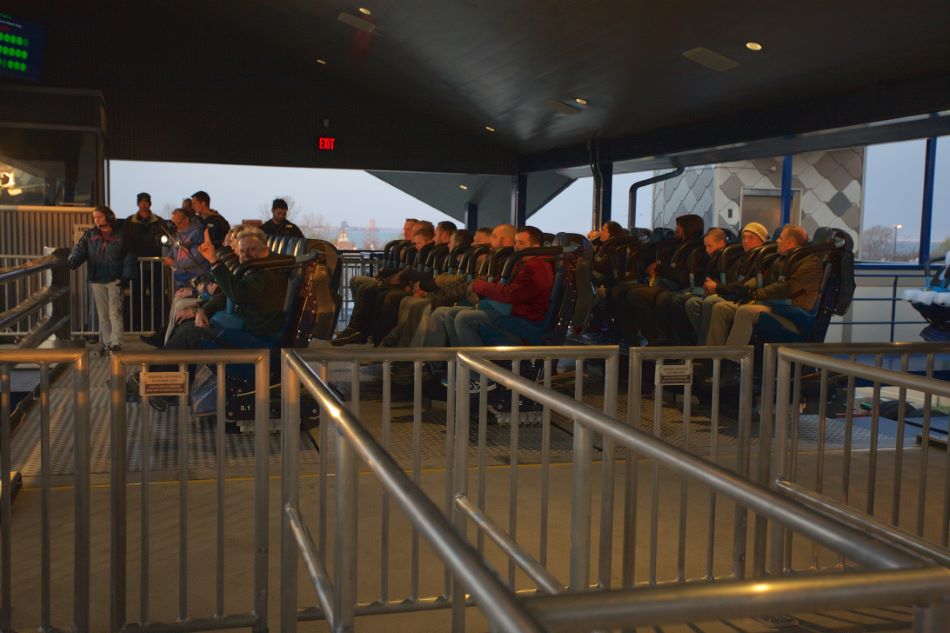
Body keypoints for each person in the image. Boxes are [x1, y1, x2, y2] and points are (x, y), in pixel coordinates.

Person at [164, 227, 289, 350]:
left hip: (257, 337)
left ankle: (158, 366)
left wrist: (214, 260)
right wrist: (203, 310)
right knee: (187, 328)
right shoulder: (252, 270)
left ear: (265, 251)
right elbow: (227, 294)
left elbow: (238, 294)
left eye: (252, 249)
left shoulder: (268, 273)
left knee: (189, 335)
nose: (246, 255)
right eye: (242, 251)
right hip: (243, 327)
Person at [706, 224, 822, 346]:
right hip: (771, 304)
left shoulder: (810, 263)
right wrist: (745, 289)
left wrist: (755, 295)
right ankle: (713, 358)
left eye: (781, 238)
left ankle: (732, 360)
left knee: (745, 311)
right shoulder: (781, 259)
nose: (776, 240)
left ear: (789, 243)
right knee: (721, 308)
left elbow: (786, 288)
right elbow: (763, 279)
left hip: (790, 312)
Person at [448, 226, 553, 347]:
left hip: (522, 319)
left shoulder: (538, 267)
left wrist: (482, 286)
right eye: (516, 242)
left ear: (535, 248)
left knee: (464, 318)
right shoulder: (522, 263)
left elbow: (513, 295)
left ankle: (475, 363)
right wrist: (486, 283)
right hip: (510, 311)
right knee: (452, 313)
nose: (516, 247)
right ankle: (458, 360)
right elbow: (504, 285)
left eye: (521, 243)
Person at [68, 206, 136, 352]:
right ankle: (107, 342)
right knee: (103, 314)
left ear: (108, 217)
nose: (97, 220)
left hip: (114, 278)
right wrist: (74, 259)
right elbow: (80, 249)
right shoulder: (90, 235)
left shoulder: (122, 236)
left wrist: (126, 276)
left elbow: (129, 257)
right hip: (97, 278)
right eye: (95, 218)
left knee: (114, 312)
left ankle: (116, 342)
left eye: (99, 217)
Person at [124, 192, 165, 332]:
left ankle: (157, 325)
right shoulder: (130, 221)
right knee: (136, 296)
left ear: (150, 203)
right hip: (136, 265)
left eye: (146, 202)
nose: (144, 204)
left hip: (155, 264)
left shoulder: (159, 222)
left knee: (157, 295)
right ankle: (136, 325)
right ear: (137, 204)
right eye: (141, 202)